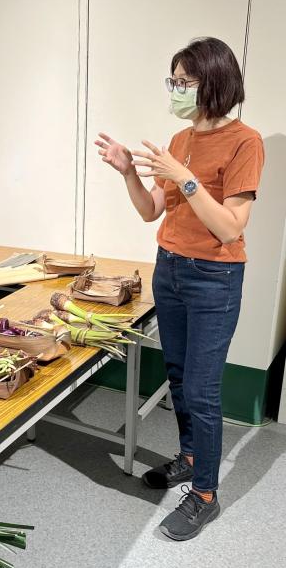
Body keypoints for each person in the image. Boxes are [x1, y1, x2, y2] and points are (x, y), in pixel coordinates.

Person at [96, 37, 264, 540]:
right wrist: (128, 172)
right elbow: (151, 211)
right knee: (177, 376)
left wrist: (186, 178)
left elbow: (231, 227)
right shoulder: (179, 140)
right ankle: (190, 458)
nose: (176, 90)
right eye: (173, 81)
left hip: (214, 277)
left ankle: (206, 495)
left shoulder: (245, 141)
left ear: (213, 81)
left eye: (183, 82)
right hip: (168, 269)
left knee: (203, 390)